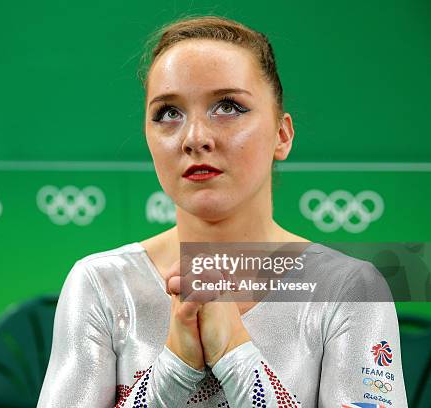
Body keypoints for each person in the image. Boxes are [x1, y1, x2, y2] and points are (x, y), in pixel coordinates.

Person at [37, 15, 406, 407]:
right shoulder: (101, 284)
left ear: (282, 135)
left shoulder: (350, 289)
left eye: (228, 107)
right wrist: (173, 369)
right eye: (168, 113)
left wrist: (236, 353)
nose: (195, 138)